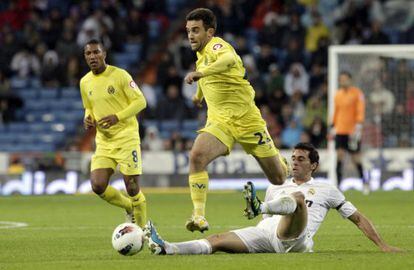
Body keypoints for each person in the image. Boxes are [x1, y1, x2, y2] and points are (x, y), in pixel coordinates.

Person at [144, 143, 401, 255]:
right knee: (217, 240)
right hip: (266, 234)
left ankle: (259, 206)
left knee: (298, 199)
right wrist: (262, 215)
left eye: (301, 159)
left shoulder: (326, 189)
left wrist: (382, 245)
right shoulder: (276, 186)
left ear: (314, 165)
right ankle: (168, 247)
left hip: (295, 240)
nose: (295, 163)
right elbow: (268, 221)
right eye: (293, 159)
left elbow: (357, 218)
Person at [183, 8, 288, 232]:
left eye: (196, 30)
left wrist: (200, 74)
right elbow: (206, 73)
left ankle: (281, 161)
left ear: (210, 32)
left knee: (278, 178)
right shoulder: (201, 56)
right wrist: (198, 95)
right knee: (197, 156)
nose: (190, 35)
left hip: (247, 120)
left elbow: (228, 60)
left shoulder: (217, 46)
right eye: (188, 31)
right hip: (220, 121)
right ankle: (199, 216)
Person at [80, 39, 147, 228]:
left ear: (104, 54)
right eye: (88, 54)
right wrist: (88, 117)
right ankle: (128, 207)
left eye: (96, 52)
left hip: (127, 138)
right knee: (97, 186)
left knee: (132, 188)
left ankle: (142, 232)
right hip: (104, 142)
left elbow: (141, 102)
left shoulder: (120, 75)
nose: (93, 56)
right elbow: (89, 106)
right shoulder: (84, 82)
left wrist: (117, 117)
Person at [329, 71, 368, 194]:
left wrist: (359, 124)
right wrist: (332, 125)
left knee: (356, 158)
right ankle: (338, 185)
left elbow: (360, 110)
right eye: (341, 79)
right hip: (340, 130)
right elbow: (336, 111)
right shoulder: (338, 95)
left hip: (352, 131)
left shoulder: (357, 93)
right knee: (339, 156)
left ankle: (365, 182)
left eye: (345, 79)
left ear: (350, 80)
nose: (343, 82)